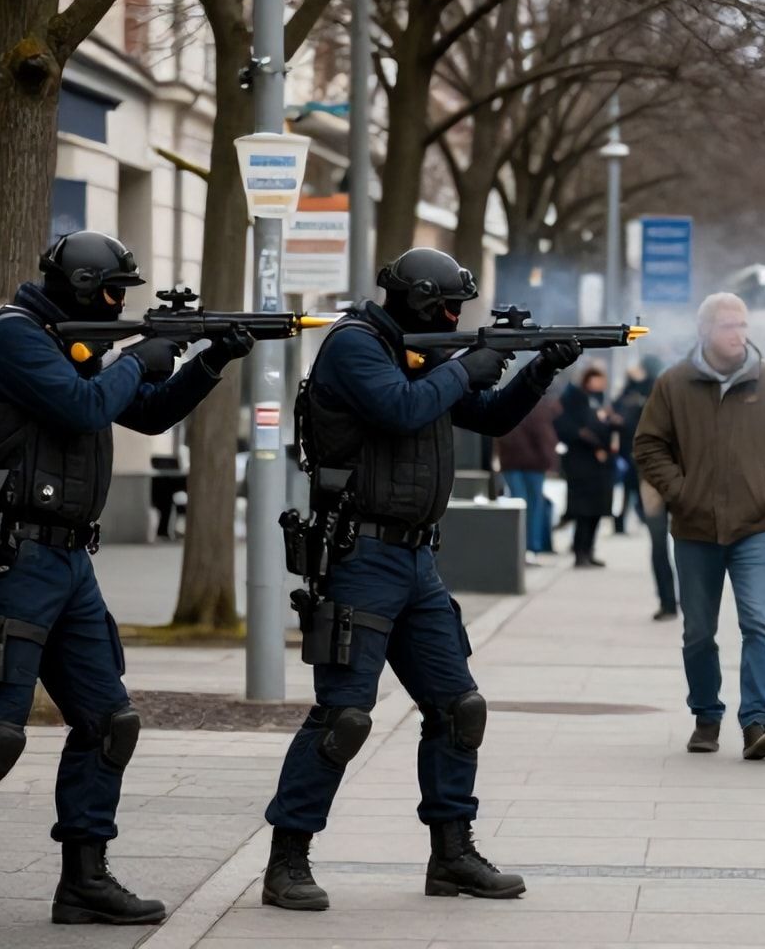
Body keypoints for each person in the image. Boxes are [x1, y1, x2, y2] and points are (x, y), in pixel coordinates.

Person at [0, 231, 248, 941]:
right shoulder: (15, 335)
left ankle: (84, 881)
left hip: (68, 562)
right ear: (86, 286)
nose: (123, 302)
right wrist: (141, 354)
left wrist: (209, 359)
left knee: (108, 722)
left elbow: (145, 412)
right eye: (116, 290)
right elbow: (83, 407)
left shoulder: (70, 342)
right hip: (14, 559)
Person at [263, 248, 580, 912]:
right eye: (448, 308)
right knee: (344, 716)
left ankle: (452, 855)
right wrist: (468, 364)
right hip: (358, 556)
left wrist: (540, 368)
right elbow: (401, 409)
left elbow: (489, 416)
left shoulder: (424, 354)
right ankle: (287, 859)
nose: (455, 318)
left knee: (458, 707)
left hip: (416, 561)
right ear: (418, 301)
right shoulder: (355, 345)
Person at [635, 293, 765, 759]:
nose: (739, 333)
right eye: (729, 325)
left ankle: (757, 723)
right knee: (698, 631)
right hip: (694, 529)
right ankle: (706, 716)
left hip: (754, 527)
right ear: (706, 331)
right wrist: (682, 492)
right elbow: (648, 444)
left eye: (743, 324)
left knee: (759, 622)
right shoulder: (674, 384)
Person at [616, 355, 678, 618]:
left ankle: (671, 602)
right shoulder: (647, 395)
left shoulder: (652, 395)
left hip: (661, 478)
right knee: (664, 544)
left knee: (670, 544)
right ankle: (670, 601)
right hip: (656, 479)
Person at [555, 363, 617, 568]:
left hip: (600, 467)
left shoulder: (601, 401)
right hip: (581, 465)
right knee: (583, 511)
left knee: (597, 510)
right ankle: (579, 551)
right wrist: (594, 444)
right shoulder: (575, 399)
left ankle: (589, 550)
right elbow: (568, 428)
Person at [496, 398, 561, 563]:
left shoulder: (506, 403)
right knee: (533, 505)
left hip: (510, 462)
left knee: (518, 503)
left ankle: (518, 545)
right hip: (534, 464)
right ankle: (532, 547)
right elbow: (544, 436)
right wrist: (550, 462)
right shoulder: (538, 407)